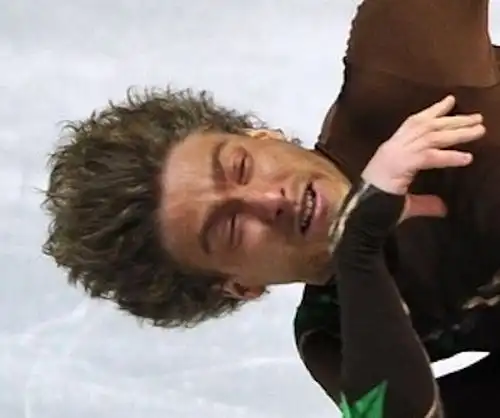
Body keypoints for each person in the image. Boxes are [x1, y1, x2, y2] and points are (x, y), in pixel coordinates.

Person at [41, 0, 500, 416]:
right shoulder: (335, 330)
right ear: (241, 286)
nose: (269, 200)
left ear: (263, 136)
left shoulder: (400, 68)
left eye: (240, 166)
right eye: (230, 227)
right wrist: (358, 249)